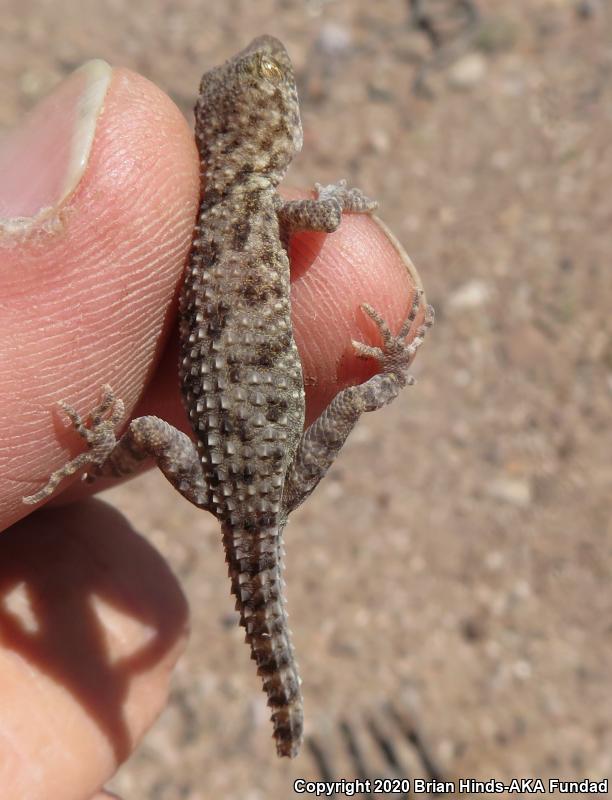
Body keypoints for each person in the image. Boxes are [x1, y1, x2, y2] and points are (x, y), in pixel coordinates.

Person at [0, 59, 422, 799]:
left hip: (227, 472)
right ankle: (286, 706)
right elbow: (325, 218)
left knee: (167, 437)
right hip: (255, 469)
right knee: (351, 397)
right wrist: (342, 199)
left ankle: (285, 705)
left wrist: (103, 447)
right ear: (283, 130)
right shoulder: (265, 210)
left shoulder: (222, 206)